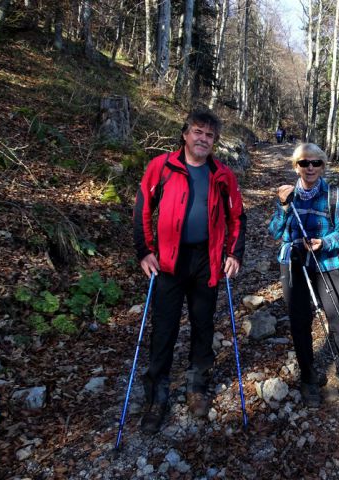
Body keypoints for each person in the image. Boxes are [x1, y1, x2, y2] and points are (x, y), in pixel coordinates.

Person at [133, 109, 246, 433]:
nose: (203, 139)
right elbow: (142, 208)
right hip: (169, 261)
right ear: (185, 134)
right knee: (164, 329)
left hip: (206, 261)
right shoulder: (162, 167)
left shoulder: (222, 174)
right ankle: (157, 396)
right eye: (198, 132)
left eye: (209, 135)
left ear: (215, 142)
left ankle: (197, 387)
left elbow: (238, 217)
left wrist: (234, 254)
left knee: (202, 327)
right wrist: (145, 251)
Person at [269, 143, 339, 408]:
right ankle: (308, 377)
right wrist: (283, 207)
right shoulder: (287, 195)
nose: (310, 168)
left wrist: (325, 243)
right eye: (304, 163)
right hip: (294, 264)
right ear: (296, 166)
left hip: (326, 262)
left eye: (316, 163)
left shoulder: (333, 194)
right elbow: (276, 232)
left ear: (323, 166)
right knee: (300, 321)